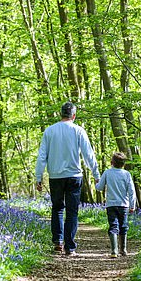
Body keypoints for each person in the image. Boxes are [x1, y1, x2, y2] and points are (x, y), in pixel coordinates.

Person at [35, 102, 100, 256]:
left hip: (56, 176)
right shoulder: (79, 131)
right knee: (72, 211)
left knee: (57, 208)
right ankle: (70, 247)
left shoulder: (49, 131)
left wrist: (38, 177)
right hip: (74, 177)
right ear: (74, 116)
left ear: (61, 114)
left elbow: (42, 156)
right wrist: (96, 175)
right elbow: (88, 154)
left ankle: (58, 243)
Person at [95, 152, 136, 258]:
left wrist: (97, 182)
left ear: (112, 162)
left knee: (113, 226)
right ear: (124, 164)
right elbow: (131, 191)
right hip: (124, 205)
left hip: (111, 205)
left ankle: (114, 251)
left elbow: (99, 188)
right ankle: (124, 250)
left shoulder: (107, 173)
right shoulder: (126, 174)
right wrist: (132, 205)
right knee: (123, 226)